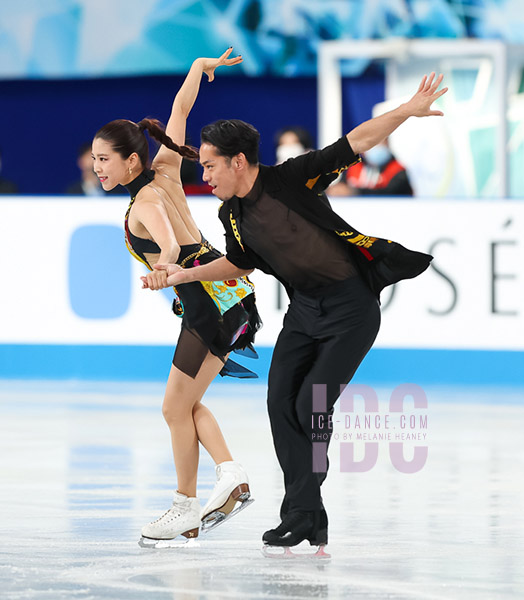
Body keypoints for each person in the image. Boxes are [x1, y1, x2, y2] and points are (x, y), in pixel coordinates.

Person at [145, 72, 448, 554]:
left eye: (209, 166)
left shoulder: (290, 178)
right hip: (304, 314)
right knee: (279, 401)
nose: (203, 177)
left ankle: (303, 514)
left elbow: (354, 143)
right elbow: (240, 263)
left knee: (313, 405)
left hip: (351, 311)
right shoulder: (231, 216)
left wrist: (406, 111)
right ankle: (308, 516)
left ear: (238, 161)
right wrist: (181, 275)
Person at [92, 49, 261, 547]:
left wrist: (165, 268)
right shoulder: (164, 169)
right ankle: (206, 490)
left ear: (131, 160)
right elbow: (180, 113)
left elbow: (167, 241)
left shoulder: (144, 198)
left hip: (210, 299)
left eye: (104, 159)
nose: (96, 167)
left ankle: (202, 495)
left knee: (174, 407)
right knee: (180, 406)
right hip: (227, 295)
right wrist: (196, 71)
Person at [328, 139, 413, 197]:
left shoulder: (398, 171)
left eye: (379, 142)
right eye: (371, 144)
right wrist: (335, 190)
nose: (375, 147)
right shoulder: (353, 167)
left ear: (387, 144)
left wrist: (355, 192)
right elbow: (343, 186)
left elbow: (390, 193)